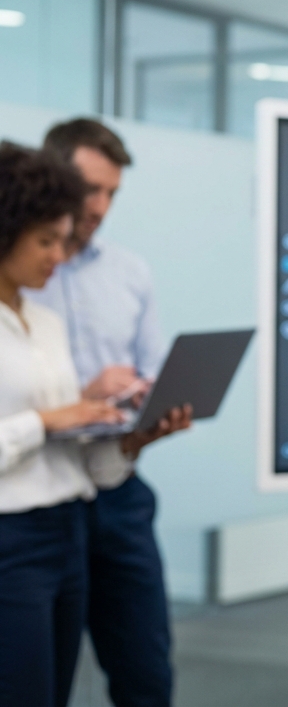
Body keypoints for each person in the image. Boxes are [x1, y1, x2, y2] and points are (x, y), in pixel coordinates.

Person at [29, 119, 190, 707]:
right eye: (89, 188)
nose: (99, 206)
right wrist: (86, 391)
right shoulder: (16, 275)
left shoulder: (128, 272)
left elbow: (150, 368)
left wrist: (155, 414)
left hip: (119, 487)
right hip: (42, 496)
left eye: (111, 193)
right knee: (42, 678)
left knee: (146, 673)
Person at [0, 142, 136, 706]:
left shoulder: (47, 323)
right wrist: (49, 418)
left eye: (62, 238)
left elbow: (79, 457)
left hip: (70, 529)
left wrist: (132, 434)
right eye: (44, 241)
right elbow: (47, 427)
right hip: (11, 541)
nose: (58, 255)